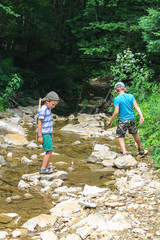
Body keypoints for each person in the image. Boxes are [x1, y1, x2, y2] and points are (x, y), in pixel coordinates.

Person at [107, 82, 144, 155]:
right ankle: (140, 149)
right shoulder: (131, 96)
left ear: (115, 91)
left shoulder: (117, 99)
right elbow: (136, 106)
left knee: (120, 136)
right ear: (125, 89)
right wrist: (141, 116)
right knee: (135, 133)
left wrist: (110, 121)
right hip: (132, 119)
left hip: (122, 120)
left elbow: (116, 111)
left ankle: (124, 152)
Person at [37, 91, 60, 174]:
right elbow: (39, 123)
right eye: (53, 104)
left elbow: (49, 122)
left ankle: (47, 167)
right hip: (44, 133)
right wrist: (40, 136)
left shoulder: (48, 109)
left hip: (48, 133)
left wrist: (52, 133)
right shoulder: (43, 110)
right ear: (47, 101)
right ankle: (43, 169)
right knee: (49, 150)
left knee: (50, 150)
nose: (53, 106)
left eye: (55, 105)